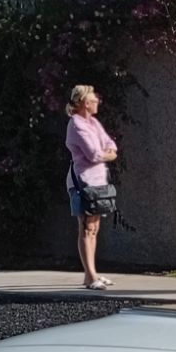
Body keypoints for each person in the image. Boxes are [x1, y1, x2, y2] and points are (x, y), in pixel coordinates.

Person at [65, 84, 118, 290]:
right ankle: (90, 275)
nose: (97, 102)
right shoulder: (76, 125)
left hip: (98, 181)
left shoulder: (93, 123)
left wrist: (108, 152)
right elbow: (93, 154)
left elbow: (111, 145)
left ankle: (90, 274)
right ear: (84, 103)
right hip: (83, 182)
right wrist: (107, 154)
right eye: (93, 100)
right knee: (86, 227)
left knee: (94, 228)